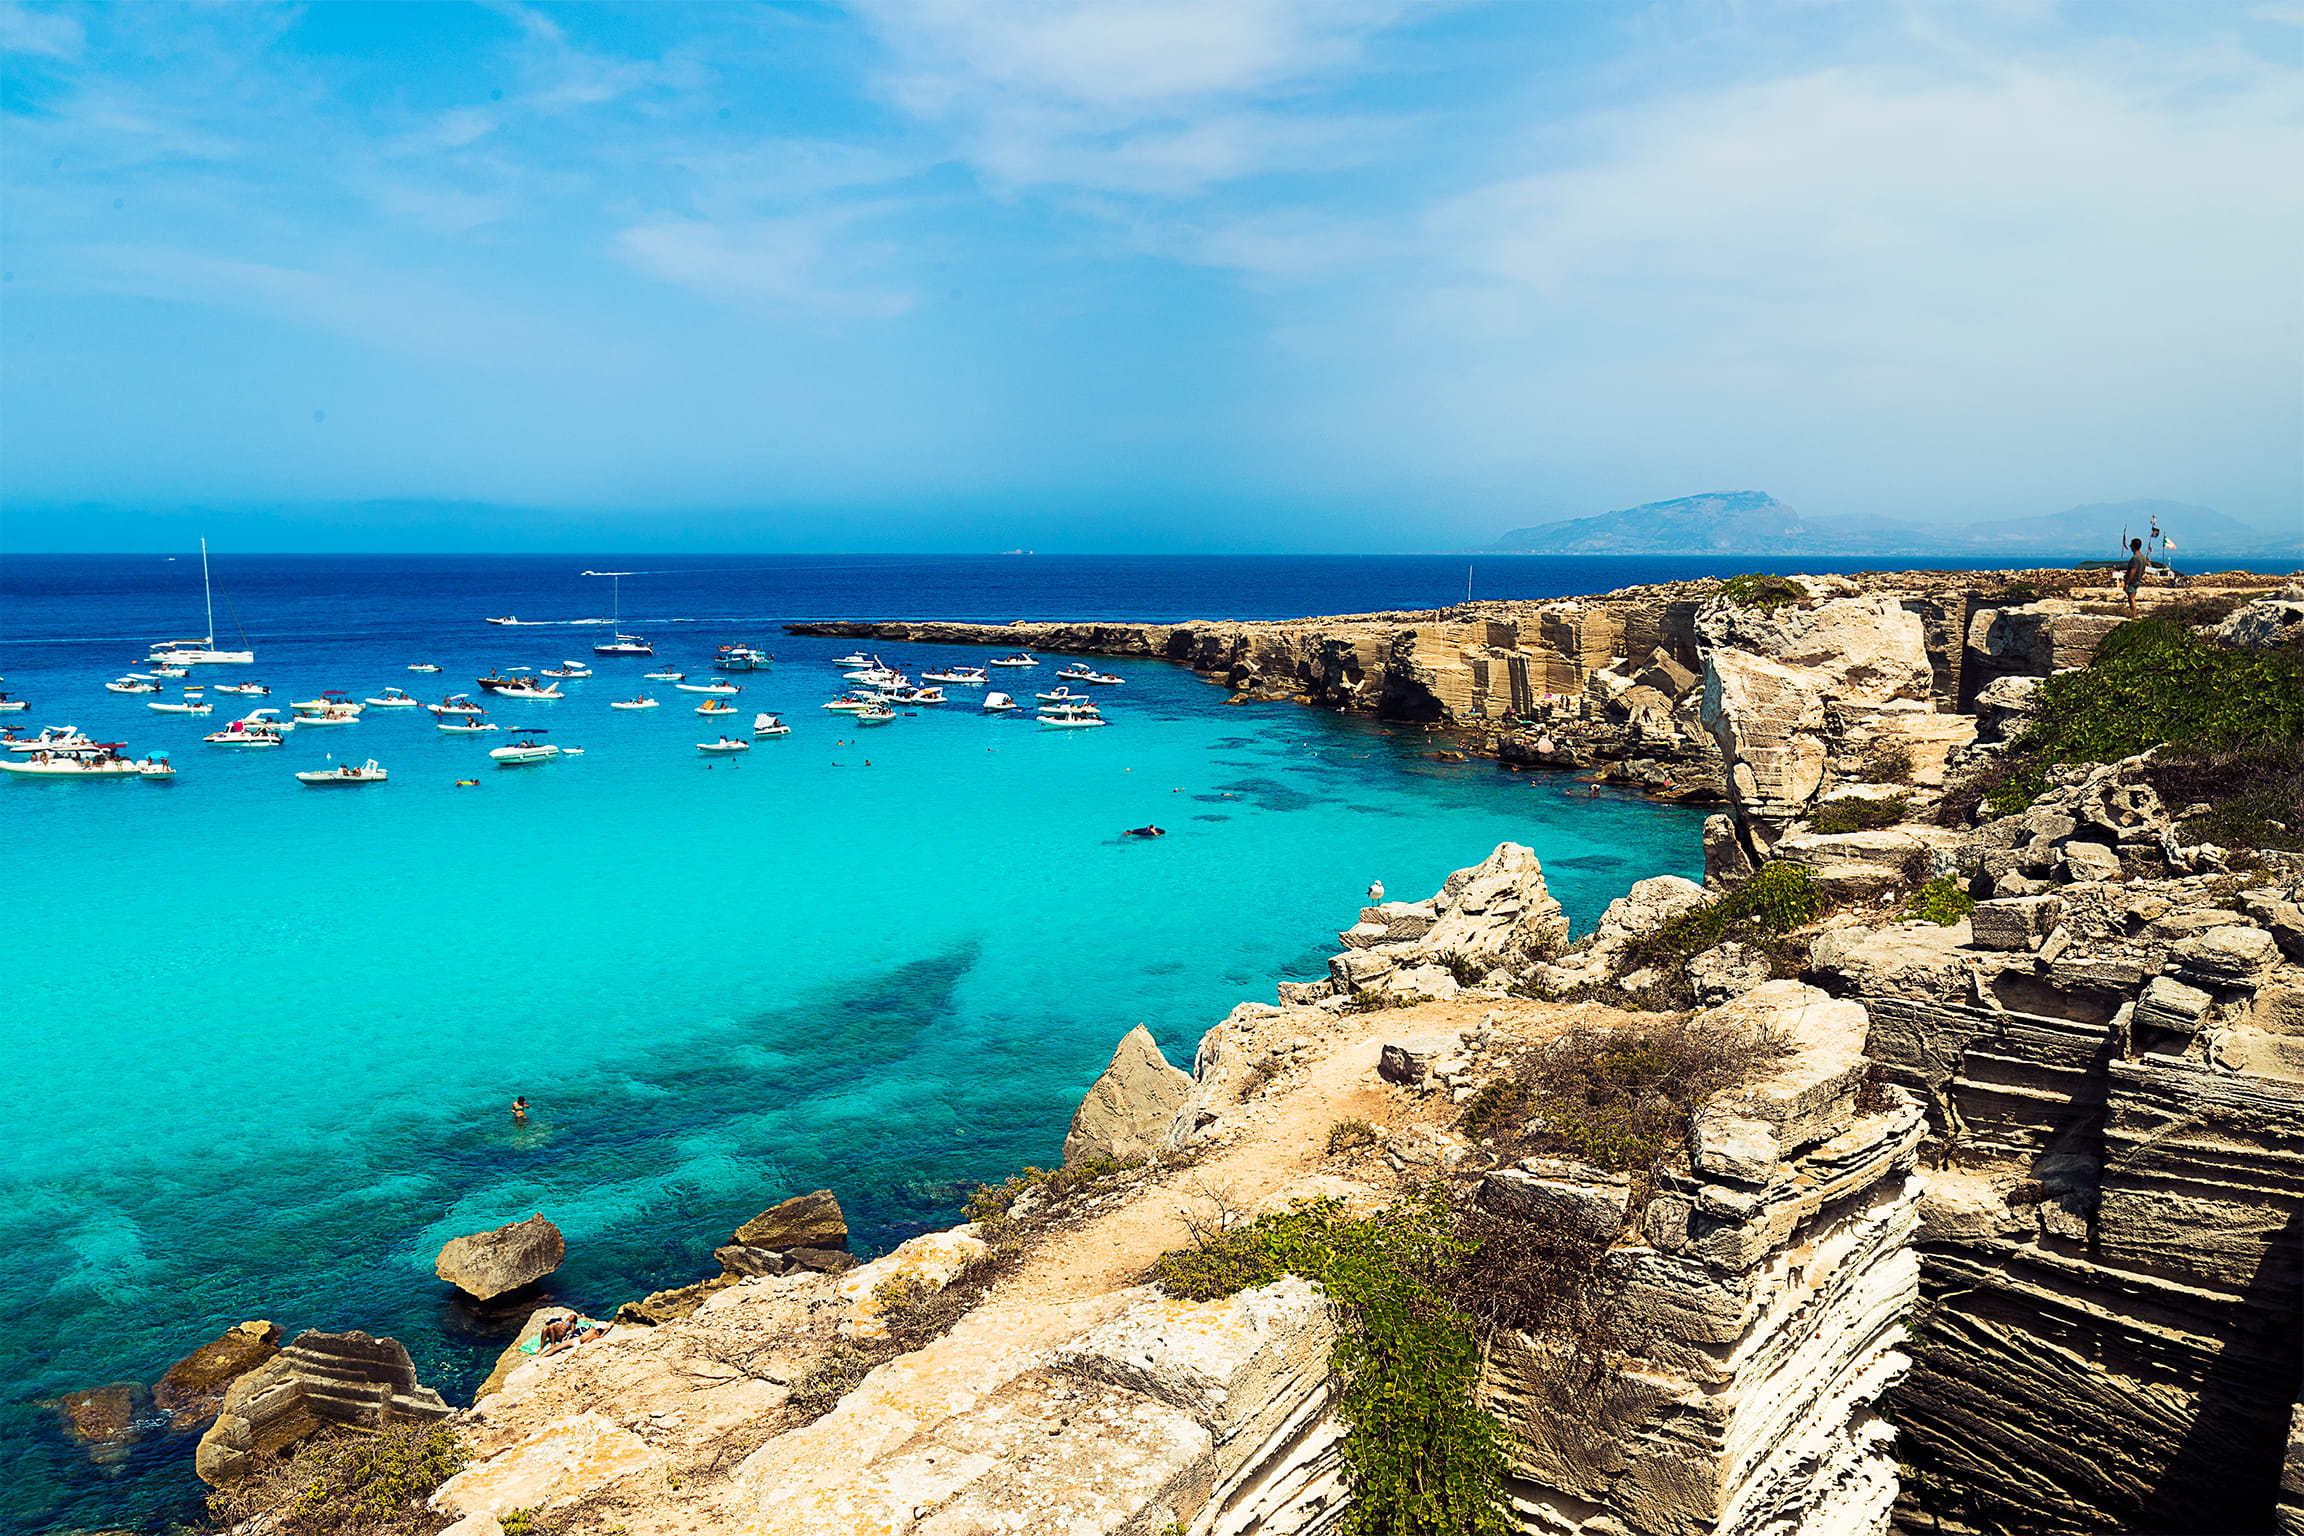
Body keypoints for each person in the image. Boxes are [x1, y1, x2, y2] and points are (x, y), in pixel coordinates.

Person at [2123, 536, 2148, 617]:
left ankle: (2133, 615)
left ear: (2133, 546)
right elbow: (2143, 569)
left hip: (2133, 580)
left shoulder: (2135, 558)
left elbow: (2133, 570)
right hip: (2137, 579)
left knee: (2131, 598)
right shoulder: (2143, 557)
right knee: (2132, 597)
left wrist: (2127, 582)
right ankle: (2133, 614)